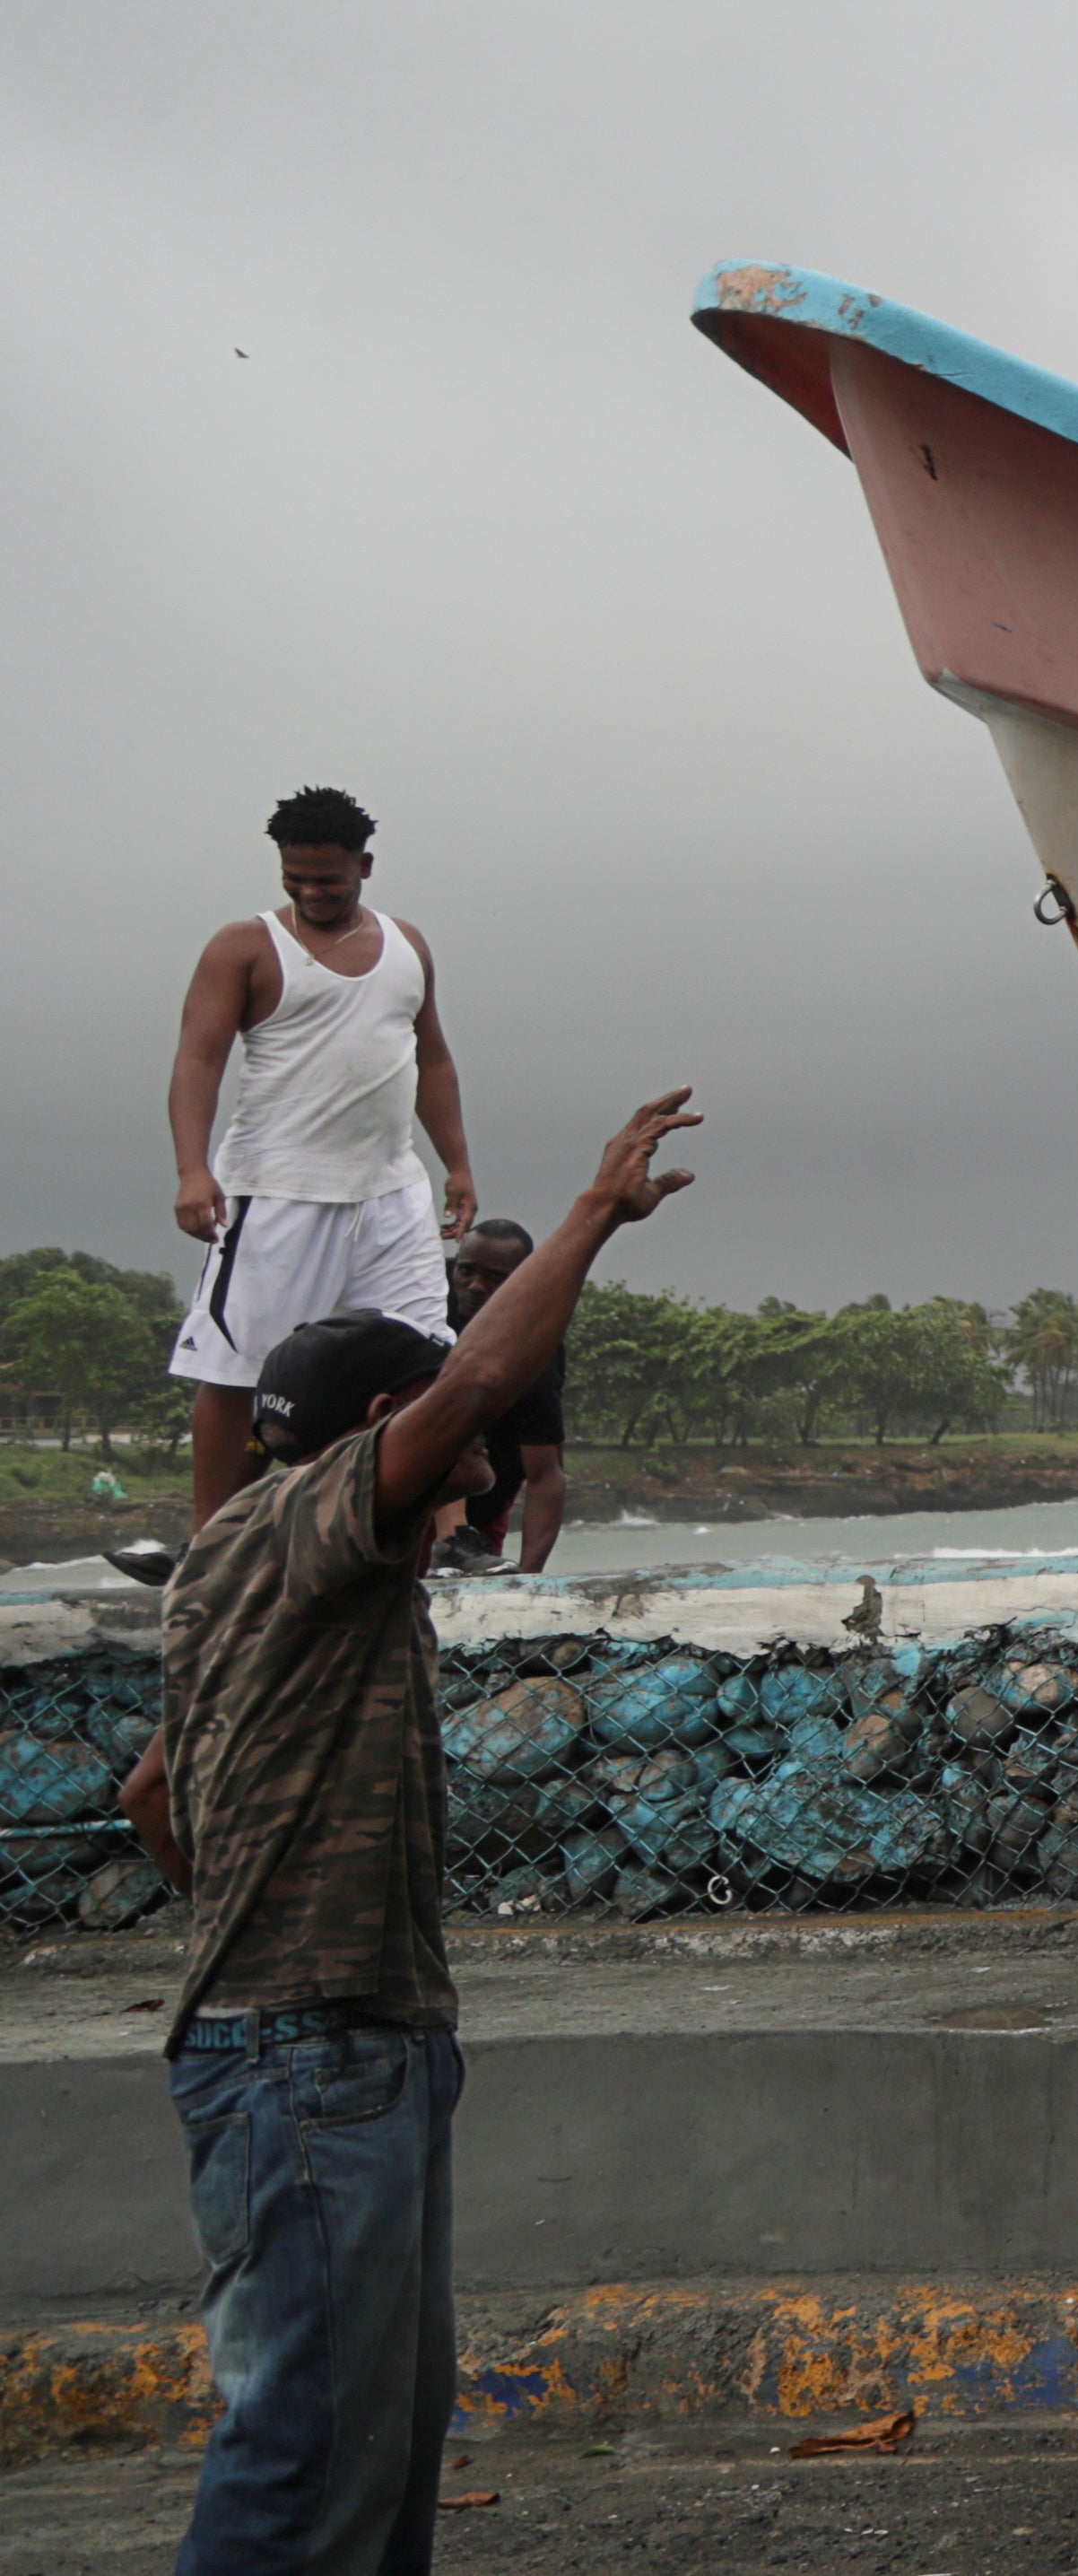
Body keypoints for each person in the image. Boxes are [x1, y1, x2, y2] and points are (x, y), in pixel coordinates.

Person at [119, 1089, 700, 2576]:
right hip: (312, 2062)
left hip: (311, 2044)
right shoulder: (319, 1515)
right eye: (453, 1433)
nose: (484, 1461)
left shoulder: (222, 1569)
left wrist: (245, 1913)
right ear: (382, 1430)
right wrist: (590, 1217)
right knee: (308, 2451)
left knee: (370, 2448)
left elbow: (150, 1800)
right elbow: (485, 1372)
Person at [166, 786, 477, 1540]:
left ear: (364, 866)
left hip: (390, 1194)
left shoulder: (408, 946)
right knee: (241, 1372)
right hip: (277, 1194)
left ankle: (443, 1537)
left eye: (328, 880)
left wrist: (457, 1164)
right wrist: (191, 1169)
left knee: (423, 1361)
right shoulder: (243, 946)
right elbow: (198, 1058)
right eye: (294, 877)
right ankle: (211, 1544)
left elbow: (431, 1058)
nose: (311, 892)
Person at [430, 1219, 567, 1573]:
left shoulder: (534, 1343)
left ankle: (459, 1539)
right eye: (467, 1271)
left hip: (488, 1493)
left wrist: (528, 1580)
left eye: (496, 1279)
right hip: (409, 1491)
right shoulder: (426, 1298)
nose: (476, 1286)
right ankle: (450, 1536)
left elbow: (545, 1475)